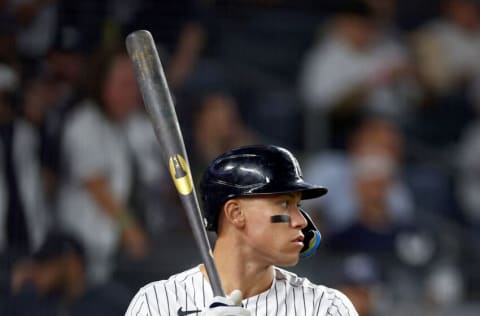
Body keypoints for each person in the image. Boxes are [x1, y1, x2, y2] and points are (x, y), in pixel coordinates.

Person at [125, 145, 358, 315]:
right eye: (284, 203)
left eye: (298, 205)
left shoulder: (325, 307)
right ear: (236, 213)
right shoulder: (157, 303)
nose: (301, 221)